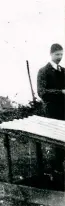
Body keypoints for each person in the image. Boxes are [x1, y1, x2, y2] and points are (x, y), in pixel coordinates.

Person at [37, 43, 65, 174]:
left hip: (64, 110)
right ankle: (55, 170)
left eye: (61, 54)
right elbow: (41, 92)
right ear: (51, 54)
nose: (59, 57)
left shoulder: (63, 71)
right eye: (57, 54)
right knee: (54, 140)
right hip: (52, 111)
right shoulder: (43, 71)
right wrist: (60, 93)